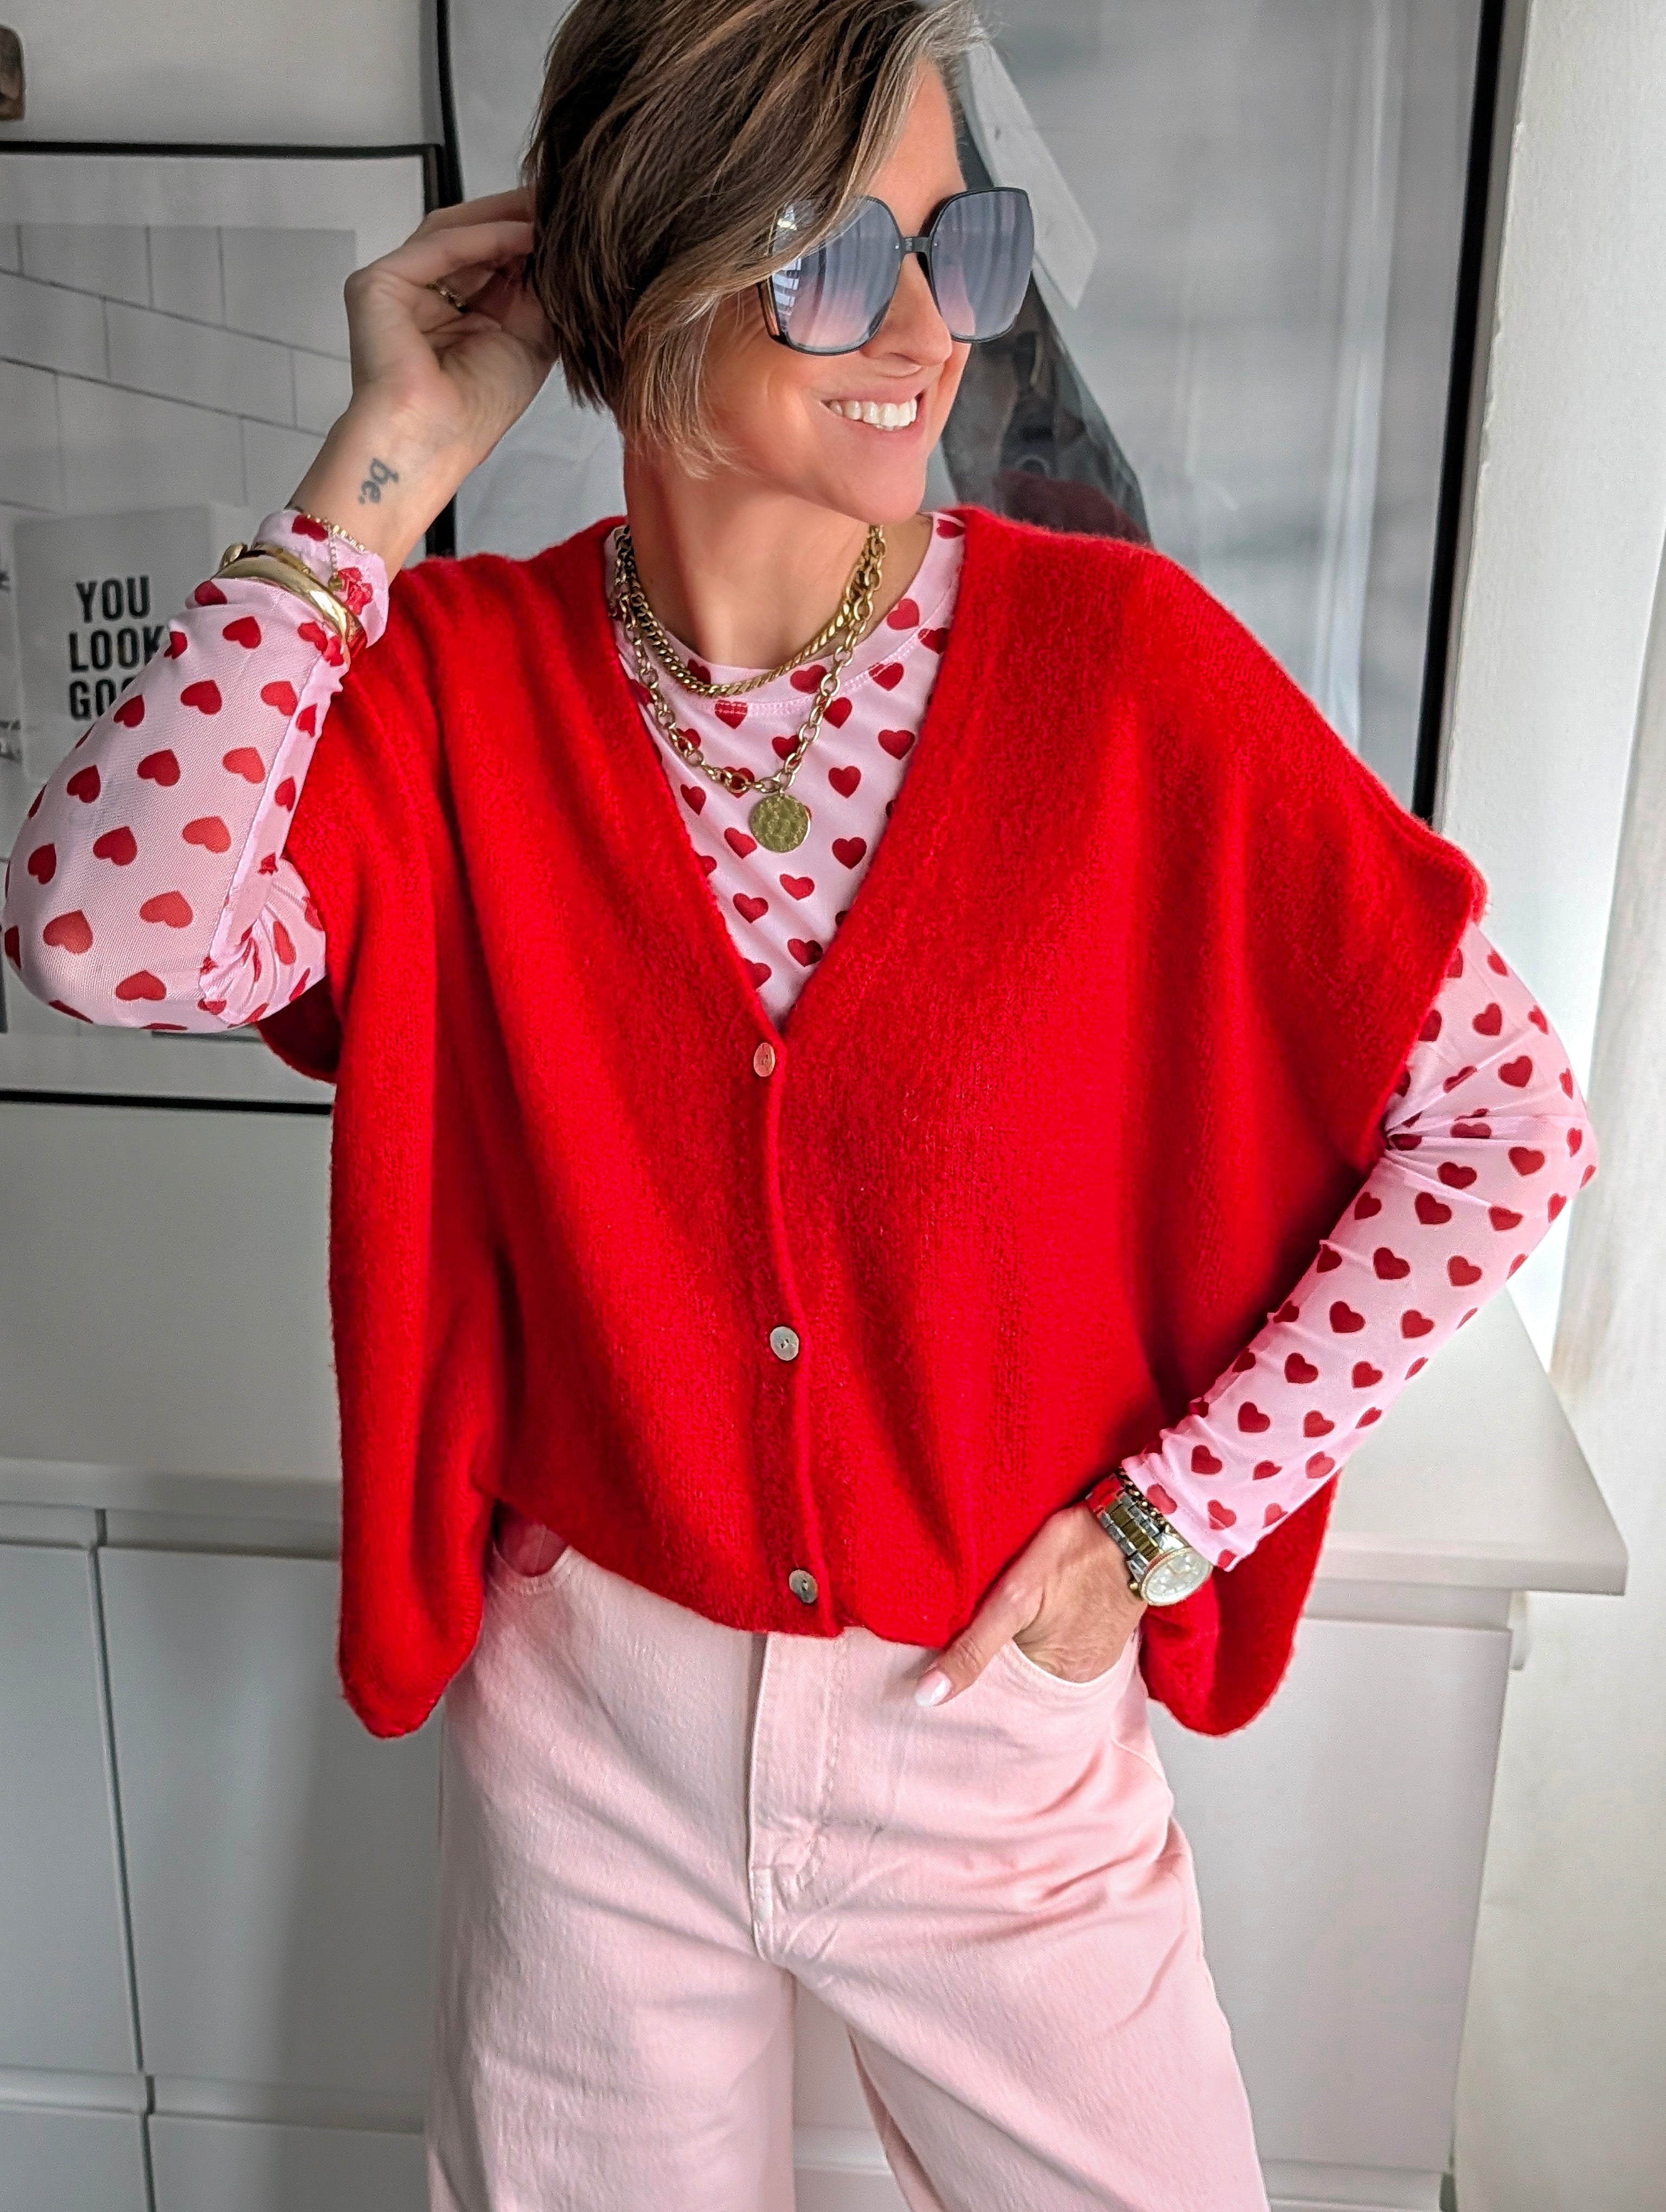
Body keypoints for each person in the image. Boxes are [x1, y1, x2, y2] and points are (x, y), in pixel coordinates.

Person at [1, 3, 1598, 2205]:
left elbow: (1504, 1121)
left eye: (965, 246)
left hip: (987, 1726)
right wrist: (387, 459)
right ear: (649, 274)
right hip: (594, 1730)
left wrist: (1165, 1527)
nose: (927, 328)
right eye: (838, 259)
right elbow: (108, 930)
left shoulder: (1122, 676)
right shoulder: (456, 696)